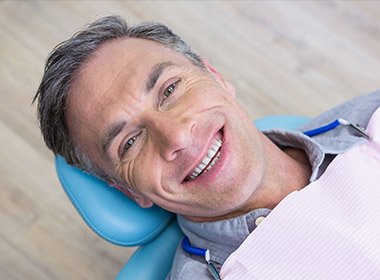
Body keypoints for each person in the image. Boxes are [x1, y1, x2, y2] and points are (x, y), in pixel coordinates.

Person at [33, 15, 380, 279]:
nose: (179, 138)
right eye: (131, 142)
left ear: (215, 76)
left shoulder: (368, 121)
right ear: (127, 191)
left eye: (169, 90)